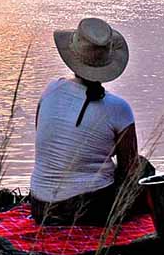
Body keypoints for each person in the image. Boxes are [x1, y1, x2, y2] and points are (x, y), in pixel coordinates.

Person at [29, 17, 152, 225]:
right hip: (86, 211)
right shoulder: (118, 108)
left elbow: (45, 135)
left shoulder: (50, 89)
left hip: (39, 206)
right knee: (143, 168)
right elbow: (129, 169)